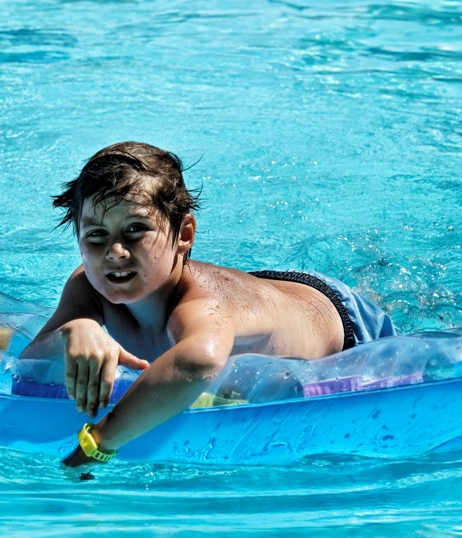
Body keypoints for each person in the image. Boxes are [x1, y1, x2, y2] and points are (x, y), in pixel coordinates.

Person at [21, 142, 395, 467]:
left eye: (136, 229)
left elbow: (197, 362)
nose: (115, 251)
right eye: (96, 235)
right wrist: (75, 329)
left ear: (184, 234)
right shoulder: (88, 286)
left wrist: (99, 443)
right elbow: (28, 365)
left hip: (339, 319)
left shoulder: (200, 307)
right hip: (255, 291)